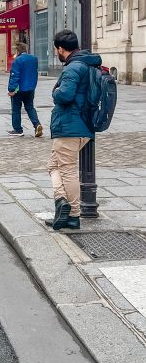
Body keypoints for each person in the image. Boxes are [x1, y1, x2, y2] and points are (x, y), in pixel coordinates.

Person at [46, 29, 102, 231]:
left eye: (56, 50)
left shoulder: (72, 68)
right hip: (81, 125)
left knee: (67, 169)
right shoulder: (86, 64)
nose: (56, 53)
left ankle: (73, 214)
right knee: (53, 166)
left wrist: (55, 92)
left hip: (70, 125)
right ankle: (62, 203)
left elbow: (66, 95)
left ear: (60, 49)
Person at [7, 42, 43, 138]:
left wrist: (11, 89)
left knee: (16, 109)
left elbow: (15, 76)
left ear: (18, 51)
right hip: (30, 88)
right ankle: (37, 124)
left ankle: (18, 129)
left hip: (18, 89)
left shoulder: (17, 60)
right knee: (30, 107)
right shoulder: (34, 59)